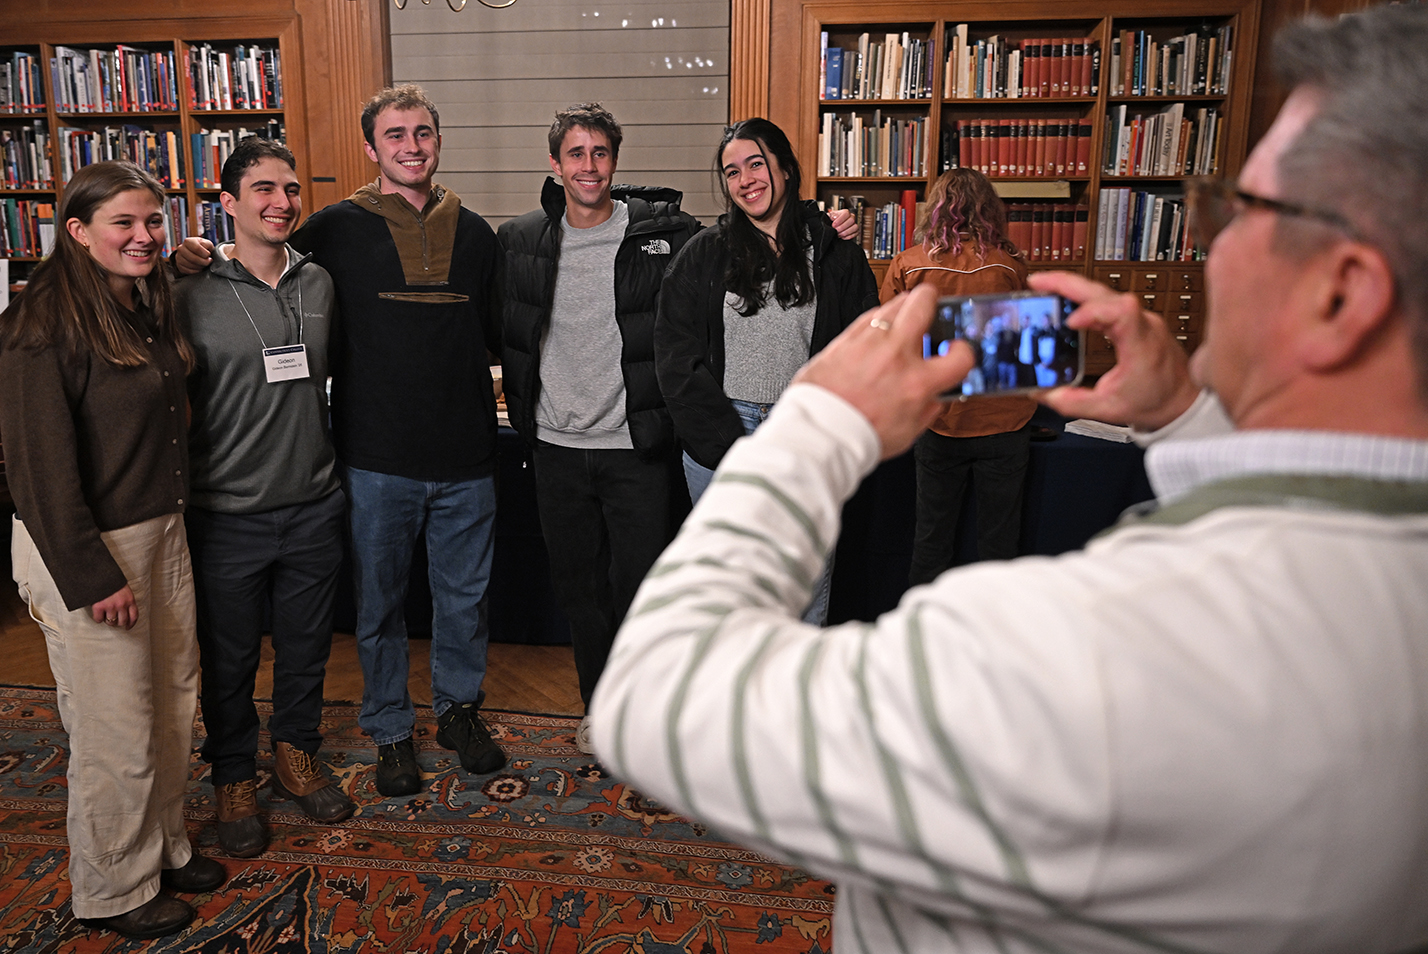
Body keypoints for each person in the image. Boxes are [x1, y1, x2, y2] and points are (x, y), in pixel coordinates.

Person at [591, 6, 1428, 951]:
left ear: (1343, 292)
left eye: (1239, 209)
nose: (1211, 242)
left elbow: (659, 697)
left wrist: (821, 420)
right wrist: (1187, 417)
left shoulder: (1074, 646)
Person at [176, 84, 506, 797]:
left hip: (470, 458)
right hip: (373, 460)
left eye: (423, 133)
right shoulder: (327, 229)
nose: (411, 146)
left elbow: (494, 334)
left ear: (438, 141)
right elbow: (258, 256)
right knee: (379, 605)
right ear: (371, 147)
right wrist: (191, 253)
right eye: (395, 135)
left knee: (465, 599)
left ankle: (459, 709)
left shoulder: (479, 234)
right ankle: (390, 728)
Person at [0, 161, 226, 940]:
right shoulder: (40, 327)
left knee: (170, 706)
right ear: (76, 231)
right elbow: (37, 471)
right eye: (124, 223)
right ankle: (113, 888)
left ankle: (161, 848)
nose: (143, 236)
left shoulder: (144, 303)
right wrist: (94, 573)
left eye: (152, 221)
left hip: (160, 533)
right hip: (88, 549)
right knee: (114, 727)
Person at [498, 104, 703, 753]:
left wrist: (825, 230)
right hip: (557, 450)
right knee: (582, 594)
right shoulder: (521, 240)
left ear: (615, 160)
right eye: (576, 154)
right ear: (555, 164)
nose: (589, 166)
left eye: (600, 153)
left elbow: (742, 258)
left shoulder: (663, 236)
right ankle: (601, 708)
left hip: (635, 449)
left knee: (641, 590)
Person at [177, 137, 354, 859]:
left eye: (290, 190)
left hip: (314, 501)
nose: (281, 203)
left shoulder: (320, 284)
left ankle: (295, 755)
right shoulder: (185, 289)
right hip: (226, 512)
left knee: (308, 649)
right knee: (228, 657)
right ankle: (231, 777)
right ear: (228, 204)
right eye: (263, 190)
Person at [654, 117, 878, 624]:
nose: (745, 180)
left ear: (785, 167)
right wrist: (724, 440)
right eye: (732, 172)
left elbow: (865, 347)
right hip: (721, 434)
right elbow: (674, 352)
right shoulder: (704, 252)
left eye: (756, 163)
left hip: (804, 436)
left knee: (805, 580)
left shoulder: (834, 248)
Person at [880, 168, 1035, 581]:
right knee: (1001, 545)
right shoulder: (1011, 265)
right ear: (989, 211)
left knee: (932, 540)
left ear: (935, 210)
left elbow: (889, 341)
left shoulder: (908, 265)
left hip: (938, 417)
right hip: (1005, 419)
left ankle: (923, 633)